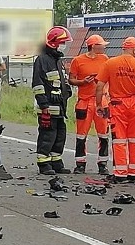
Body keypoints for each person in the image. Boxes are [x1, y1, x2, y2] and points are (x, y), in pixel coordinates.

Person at [95, 36, 135, 183]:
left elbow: (99, 86)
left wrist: (99, 104)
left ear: (123, 48)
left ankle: (120, 173)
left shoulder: (110, 63)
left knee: (119, 140)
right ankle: (134, 172)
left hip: (117, 105)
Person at [32, 26, 73, 175]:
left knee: (60, 135)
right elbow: (38, 84)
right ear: (54, 43)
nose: (64, 46)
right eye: (62, 42)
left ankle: (56, 162)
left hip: (60, 107)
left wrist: (67, 91)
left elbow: (62, 80)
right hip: (48, 107)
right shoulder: (42, 60)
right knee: (47, 135)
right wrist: (43, 104)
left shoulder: (57, 60)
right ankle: (44, 164)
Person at [68, 34, 110, 175]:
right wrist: (83, 82)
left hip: (102, 101)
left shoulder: (105, 59)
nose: (104, 47)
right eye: (102, 45)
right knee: (81, 135)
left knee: (103, 134)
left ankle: (102, 164)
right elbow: (71, 80)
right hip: (84, 102)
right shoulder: (78, 61)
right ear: (93, 46)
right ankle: (80, 164)